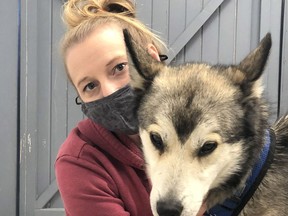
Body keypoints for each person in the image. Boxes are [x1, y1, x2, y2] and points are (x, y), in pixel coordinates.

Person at [55, 0, 207, 215]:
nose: (108, 92)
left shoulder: (205, 118)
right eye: (90, 86)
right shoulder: (79, 161)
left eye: (119, 67)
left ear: (151, 57)